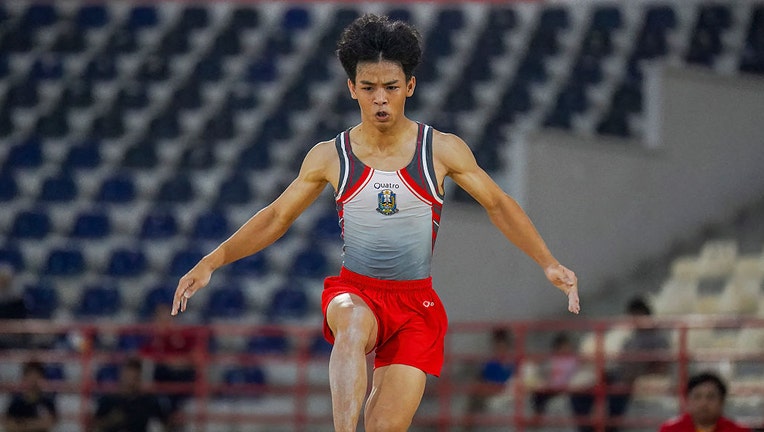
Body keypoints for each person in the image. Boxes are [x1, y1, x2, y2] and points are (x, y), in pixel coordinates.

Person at [171, 13, 580, 431]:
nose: (380, 99)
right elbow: (277, 216)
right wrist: (212, 260)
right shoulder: (330, 156)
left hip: (415, 305)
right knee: (351, 322)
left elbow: (498, 205)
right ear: (352, 88)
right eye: (368, 88)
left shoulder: (440, 150)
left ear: (410, 86)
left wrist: (547, 261)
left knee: (385, 425)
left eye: (391, 87)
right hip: (356, 290)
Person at [571, 296, 670, 432]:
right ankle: (587, 427)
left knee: (617, 391)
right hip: (616, 374)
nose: (634, 320)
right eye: (632, 317)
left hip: (633, 377)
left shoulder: (658, 338)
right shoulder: (630, 337)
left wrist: (642, 375)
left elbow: (662, 365)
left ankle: (611, 427)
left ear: (646, 316)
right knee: (580, 393)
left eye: (637, 316)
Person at [141, 303, 198, 423]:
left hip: (181, 376)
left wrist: (179, 361)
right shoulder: (151, 339)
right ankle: (169, 417)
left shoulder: (183, 336)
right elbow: (144, 358)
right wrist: (167, 360)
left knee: (183, 376)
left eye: (168, 318)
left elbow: (194, 357)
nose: (165, 323)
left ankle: (173, 415)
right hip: (160, 377)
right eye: (161, 319)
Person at [92, 358, 172, 432]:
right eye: (127, 376)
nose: (130, 381)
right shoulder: (108, 400)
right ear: (121, 376)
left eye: (134, 377)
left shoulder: (149, 401)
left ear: (140, 378)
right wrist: (110, 421)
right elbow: (95, 425)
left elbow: (165, 425)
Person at [658, 372, 750, 432]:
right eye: (697, 397)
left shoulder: (738, 430)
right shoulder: (671, 429)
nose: (703, 403)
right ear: (687, 401)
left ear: (722, 402)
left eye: (711, 397)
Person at [464, 327, 516, 430]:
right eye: (497, 345)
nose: (499, 348)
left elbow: (513, 381)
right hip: (492, 392)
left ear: (507, 345)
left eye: (502, 345)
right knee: (474, 396)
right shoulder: (491, 363)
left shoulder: (513, 362)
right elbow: (481, 379)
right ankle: (467, 427)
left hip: (506, 392)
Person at [531, 331, 579, 416]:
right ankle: (537, 416)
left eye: (567, 346)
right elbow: (544, 372)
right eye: (564, 347)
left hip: (566, 387)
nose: (566, 349)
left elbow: (575, 375)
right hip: (551, 388)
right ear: (558, 348)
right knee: (537, 395)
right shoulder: (552, 360)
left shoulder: (573, 360)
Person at [2, 360, 57, 432]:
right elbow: (9, 426)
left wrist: (22, 424)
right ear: (24, 377)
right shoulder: (16, 402)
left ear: (42, 377)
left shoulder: (48, 401)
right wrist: (37, 423)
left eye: (37, 375)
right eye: (30, 375)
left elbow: (49, 423)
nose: (33, 379)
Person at [0, 264, 28, 349]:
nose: (3, 281)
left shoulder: (17, 299)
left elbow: (21, 317)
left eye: (5, 279)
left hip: (14, 330)